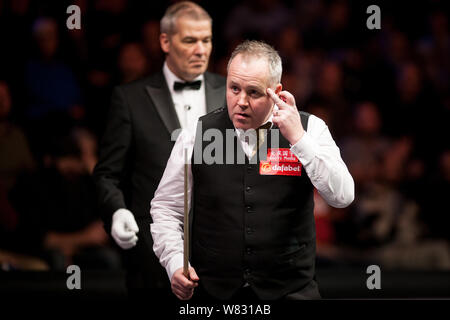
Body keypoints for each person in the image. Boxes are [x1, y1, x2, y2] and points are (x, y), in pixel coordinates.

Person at [150, 40, 354, 300]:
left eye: (254, 92)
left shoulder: (310, 129)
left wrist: (299, 140)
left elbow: (342, 196)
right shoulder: (195, 134)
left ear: (276, 91)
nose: (241, 101)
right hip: (214, 292)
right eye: (234, 88)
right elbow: (166, 208)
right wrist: (175, 262)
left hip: (291, 291)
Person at [93, 1, 226, 293]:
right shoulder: (130, 99)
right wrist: (117, 211)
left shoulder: (232, 94)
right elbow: (107, 174)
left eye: (206, 40)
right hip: (151, 255)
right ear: (165, 41)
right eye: (190, 40)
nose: (201, 50)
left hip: (222, 255)